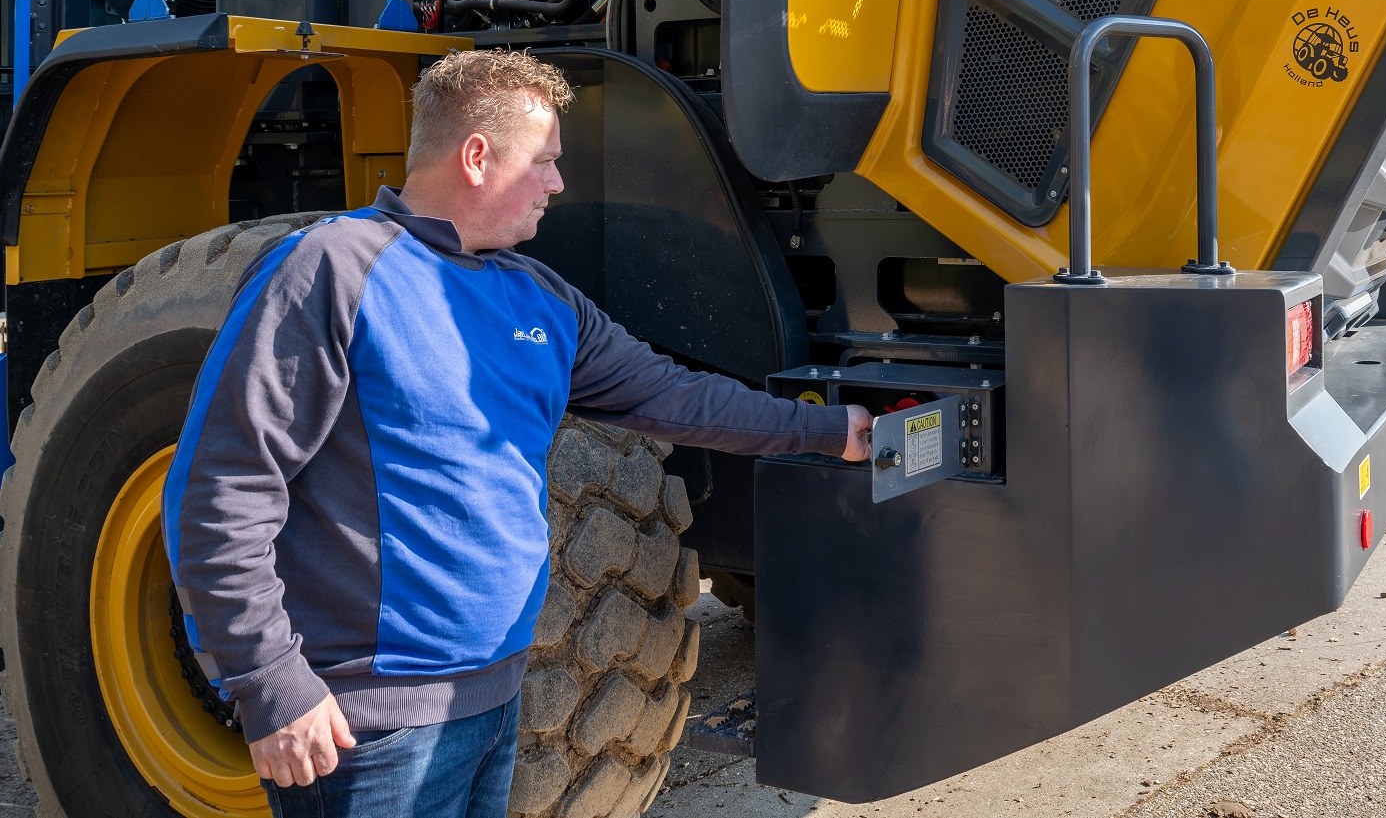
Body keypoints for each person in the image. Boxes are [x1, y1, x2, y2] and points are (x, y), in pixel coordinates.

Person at [163, 49, 872, 814]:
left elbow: (678, 396)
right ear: (477, 157)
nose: (558, 182)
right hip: (368, 730)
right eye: (544, 160)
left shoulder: (538, 298)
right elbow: (218, 489)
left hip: (496, 704)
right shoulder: (331, 270)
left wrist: (828, 429)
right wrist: (271, 682)